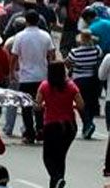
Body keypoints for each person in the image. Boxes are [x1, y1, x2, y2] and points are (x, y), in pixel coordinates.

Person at [36, 62, 84, 188]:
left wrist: (45, 105)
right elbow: (81, 105)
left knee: (48, 157)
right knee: (60, 157)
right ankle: (58, 182)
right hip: (69, 126)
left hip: (52, 125)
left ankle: (57, 178)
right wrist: (70, 105)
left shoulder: (45, 86)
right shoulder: (71, 86)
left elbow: (37, 106)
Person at [10, 10, 55, 144]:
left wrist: (12, 71)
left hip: (26, 77)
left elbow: (14, 56)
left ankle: (29, 133)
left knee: (26, 107)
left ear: (26, 21)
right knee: (39, 104)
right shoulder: (45, 36)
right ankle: (41, 129)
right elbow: (52, 54)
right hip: (42, 75)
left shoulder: (19, 36)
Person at [66, 29, 101, 139]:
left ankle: (87, 123)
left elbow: (68, 63)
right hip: (92, 79)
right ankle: (88, 122)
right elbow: (99, 58)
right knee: (90, 102)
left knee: (80, 103)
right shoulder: (96, 50)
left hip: (78, 79)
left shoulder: (75, 52)